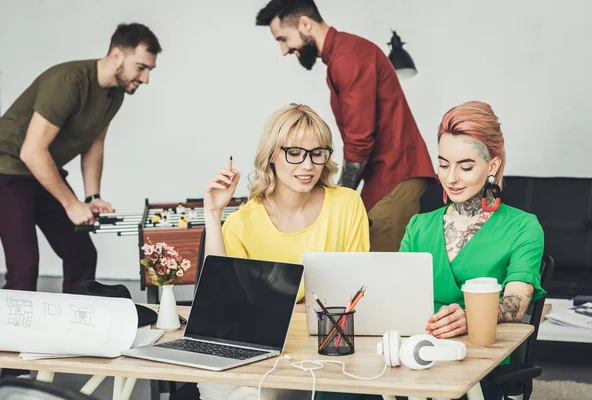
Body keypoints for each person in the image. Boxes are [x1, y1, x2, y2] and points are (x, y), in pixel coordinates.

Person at [317, 101, 546, 400]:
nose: (451, 178)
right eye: (443, 164)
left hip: (474, 361)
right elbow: (395, 295)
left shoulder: (523, 227)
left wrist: (471, 316)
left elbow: (516, 302)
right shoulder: (419, 226)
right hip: (413, 353)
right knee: (333, 391)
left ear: (492, 165)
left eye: (465, 166)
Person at [193, 103, 369, 400]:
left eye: (317, 153)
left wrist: (272, 310)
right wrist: (213, 214)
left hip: (320, 349)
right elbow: (223, 301)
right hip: (258, 348)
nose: (308, 165)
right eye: (295, 153)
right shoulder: (242, 222)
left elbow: (352, 302)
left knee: (249, 395)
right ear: (272, 155)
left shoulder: (347, 205)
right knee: (230, 390)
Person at [255, 0, 436, 252]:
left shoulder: (347, 58)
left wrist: (335, 199)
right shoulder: (343, 56)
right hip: (386, 178)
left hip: (394, 176)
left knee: (378, 271)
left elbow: (359, 141)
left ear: (305, 24)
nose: (284, 50)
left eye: (283, 39)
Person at [0, 23, 161, 295]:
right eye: (141, 68)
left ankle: (75, 328)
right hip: (8, 171)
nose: (145, 79)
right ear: (117, 56)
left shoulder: (115, 94)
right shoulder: (68, 82)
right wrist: (71, 204)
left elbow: (94, 144)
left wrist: (90, 198)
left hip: (41, 172)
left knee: (82, 256)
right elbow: (31, 150)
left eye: (149, 71)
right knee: (25, 267)